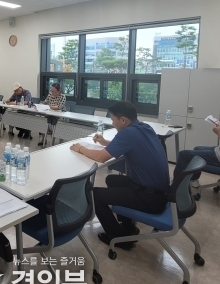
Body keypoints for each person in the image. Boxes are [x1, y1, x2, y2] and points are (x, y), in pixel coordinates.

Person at [70, 101, 169, 251]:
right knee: (112, 180)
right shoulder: (144, 127)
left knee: (94, 195)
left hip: (150, 198)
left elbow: (101, 157)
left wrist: (81, 148)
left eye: (113, 119)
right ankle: (128, 227)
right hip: (160, 192)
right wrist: (105, 142)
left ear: (123, 120)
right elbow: (130, 144)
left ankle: (118, 238)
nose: (112, 123)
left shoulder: (127, 133)